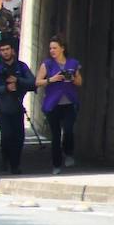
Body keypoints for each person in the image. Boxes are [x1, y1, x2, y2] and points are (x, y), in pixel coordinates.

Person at [35, 36, 83, 174]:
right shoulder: (47, 64)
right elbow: (38, 82)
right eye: (50, 48)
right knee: (55, 136)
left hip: (69, 103)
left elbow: (80, 82)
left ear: (62, 48)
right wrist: (52, 79)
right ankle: (56, 164)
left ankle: (68, 153)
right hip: (53, 104)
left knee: (68, 130)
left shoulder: (73, 63)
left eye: (55, 48)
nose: (52, 51)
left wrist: (73, 78)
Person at [0, 39, 36, 174]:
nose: (5, 52)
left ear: (12, 50)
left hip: (17, 107)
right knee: (7, 135)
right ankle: (5, 159)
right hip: (2, 109)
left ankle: (15, 165)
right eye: (2, 50)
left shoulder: (21, 67)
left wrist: (18, 81)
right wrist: (6, 88)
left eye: (7, 49)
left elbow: (32, 83)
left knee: (19, 137)